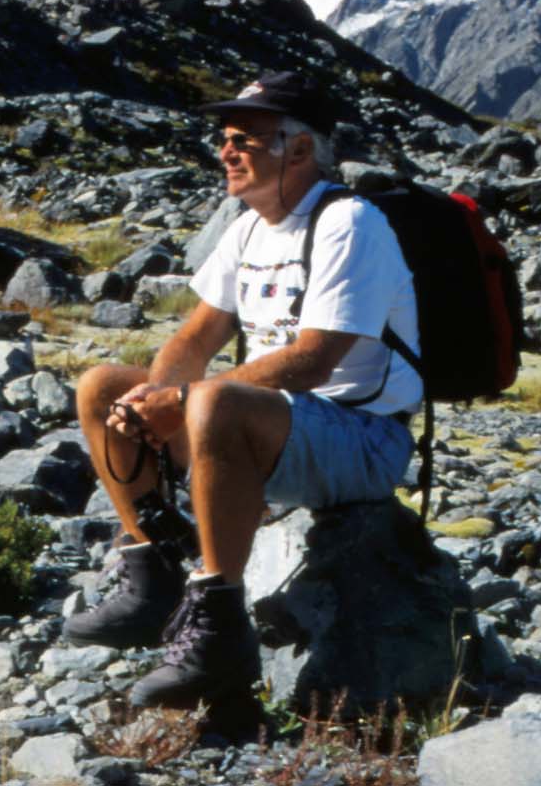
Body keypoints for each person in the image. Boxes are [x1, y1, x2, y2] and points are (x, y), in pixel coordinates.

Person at [62, 71, 423, 709]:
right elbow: (194, 338)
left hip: (364, 439)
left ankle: (220, 629)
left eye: (247, 140)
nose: (226, 151)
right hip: (278, 425)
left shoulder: (348, 224)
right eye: (225, 138)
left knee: (215, 399)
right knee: (101, 387)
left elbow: (314, 359)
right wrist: (156, 399)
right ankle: (151, 579)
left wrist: (185, 403)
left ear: (301, 149)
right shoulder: (249, 228)